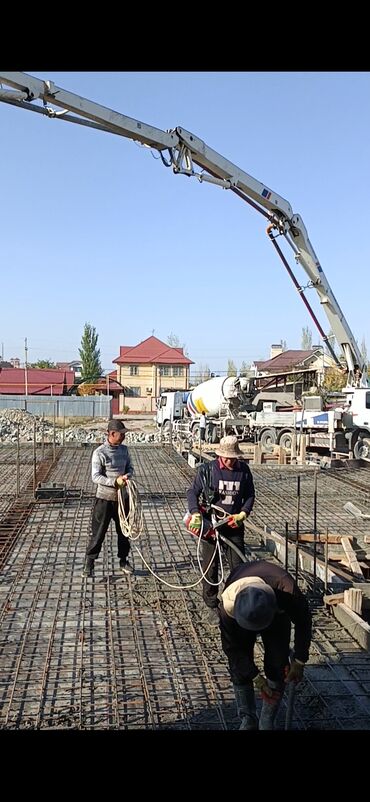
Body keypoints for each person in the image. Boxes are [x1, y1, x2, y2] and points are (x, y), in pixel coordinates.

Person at [219, 560, 312, 730]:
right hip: (243, 614)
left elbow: (303, 621)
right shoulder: (228, 606)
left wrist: (299, 660)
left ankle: (267, 721)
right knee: (239, 666)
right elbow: (231, 648)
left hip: (275, 614)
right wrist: (256, 678)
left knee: (278, 662)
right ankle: (248, 720)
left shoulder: (286, 589)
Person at [186, 435, 255, 626]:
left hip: (233, 526)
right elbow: (192, 492)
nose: (229, 461)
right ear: (219, 456)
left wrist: (243, 513)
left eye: (232, 458)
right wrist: (195, 513)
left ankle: (234, 602)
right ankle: (210, 606)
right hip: (211, 525)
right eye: (226, 457)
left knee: (238, 566)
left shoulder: (244, 472)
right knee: (211, 566)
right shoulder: (208, 471)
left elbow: (250, 495)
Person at [82, 419, 134, 577]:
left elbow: (130, 468)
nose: (123, 437)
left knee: (124, 532)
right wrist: (114, 482)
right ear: (112, 434)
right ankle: (89, 563)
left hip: (121, 499)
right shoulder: (99, 453)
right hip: (104, 499)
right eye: (121, 434)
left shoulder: (124, 450)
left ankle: (123, 561)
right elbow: (95, 477)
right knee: (98, 533)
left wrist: (126, 476)